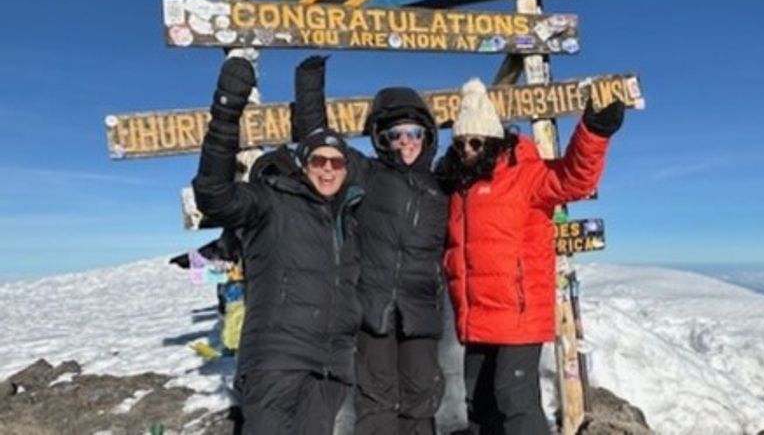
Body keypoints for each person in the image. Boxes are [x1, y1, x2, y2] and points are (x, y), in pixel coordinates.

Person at [436, 78, 625, 435]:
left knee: (515, 401)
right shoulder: (458, 186)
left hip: (518, 314)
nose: (467, 150)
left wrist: (594, 133)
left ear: (493, 140)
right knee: (479, 404)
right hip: (476, 317)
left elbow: (573, 178)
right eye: (460, 143)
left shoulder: (525, 176)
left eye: (475, 142)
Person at [192, 56, 364, 435]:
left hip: (329, 368)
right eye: (318, 160)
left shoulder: (347, 216)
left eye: (337, 162)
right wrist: (224, 114)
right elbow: (214, 195)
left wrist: (310, 84)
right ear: (303, 165)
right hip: (276, 363)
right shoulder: (270, 201)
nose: (328, 168)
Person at [293, 56, 448, 435]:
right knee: (375, 401)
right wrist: (309, 82)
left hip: (421, 310)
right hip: (372, 308)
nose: (405, 141)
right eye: (396, 134)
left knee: (421, 398)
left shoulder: (443, 184)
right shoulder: (368, 173)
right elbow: (317, 138)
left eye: (413, 132)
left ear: (426, 135)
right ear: (382, 138)